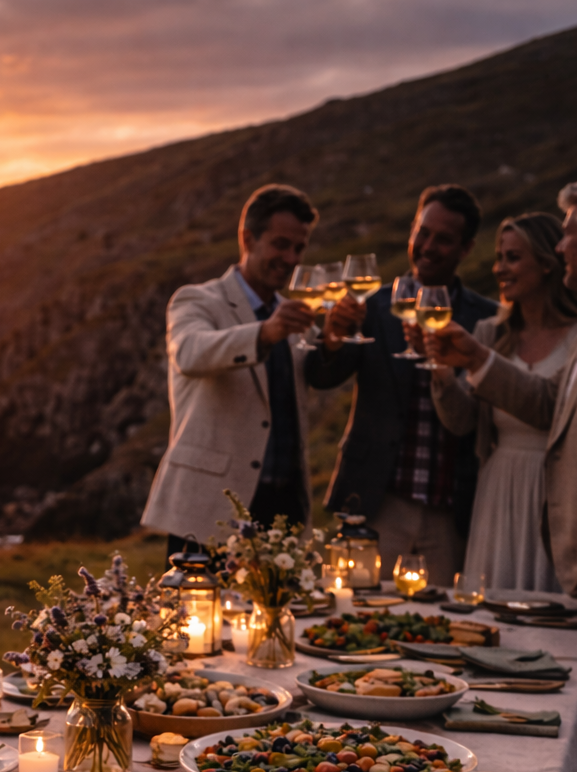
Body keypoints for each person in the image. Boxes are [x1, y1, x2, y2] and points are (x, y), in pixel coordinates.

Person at [425, 170, 577, 772]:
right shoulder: (541, 331)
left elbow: (559, 419)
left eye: (567, 231)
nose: (501, 269)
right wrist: (459, 364)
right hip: (517, 513)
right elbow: (503, 412)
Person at [304, 185, 499, 584]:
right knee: (357, 617)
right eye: (421, 233)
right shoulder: (373, 306)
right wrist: (331, 337)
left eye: (443, 239)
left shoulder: (487, 319)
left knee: (439, 628)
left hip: (451, 510)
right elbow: (322, 376)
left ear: (466, 249)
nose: (427, 246)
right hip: (378, 501)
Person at [140, 184, 317, 553]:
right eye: (281, 244)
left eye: (299, 248)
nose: (291, 258)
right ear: (248, 239)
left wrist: (334, 343)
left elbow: (315, 377)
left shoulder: (295, 314)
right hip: (210, 514)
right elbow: (189, 353)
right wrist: (264, 332)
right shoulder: (196, 300)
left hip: (284, 517)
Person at [430, 213, 577, 592]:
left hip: (557, 489)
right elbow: (463, 423)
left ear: (548, 263)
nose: (500, 268)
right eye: (499, 258)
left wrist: (476, 359)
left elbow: (552, 409)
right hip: (498, 488)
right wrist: (442, 372)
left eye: (513, 258)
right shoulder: (491, 332)